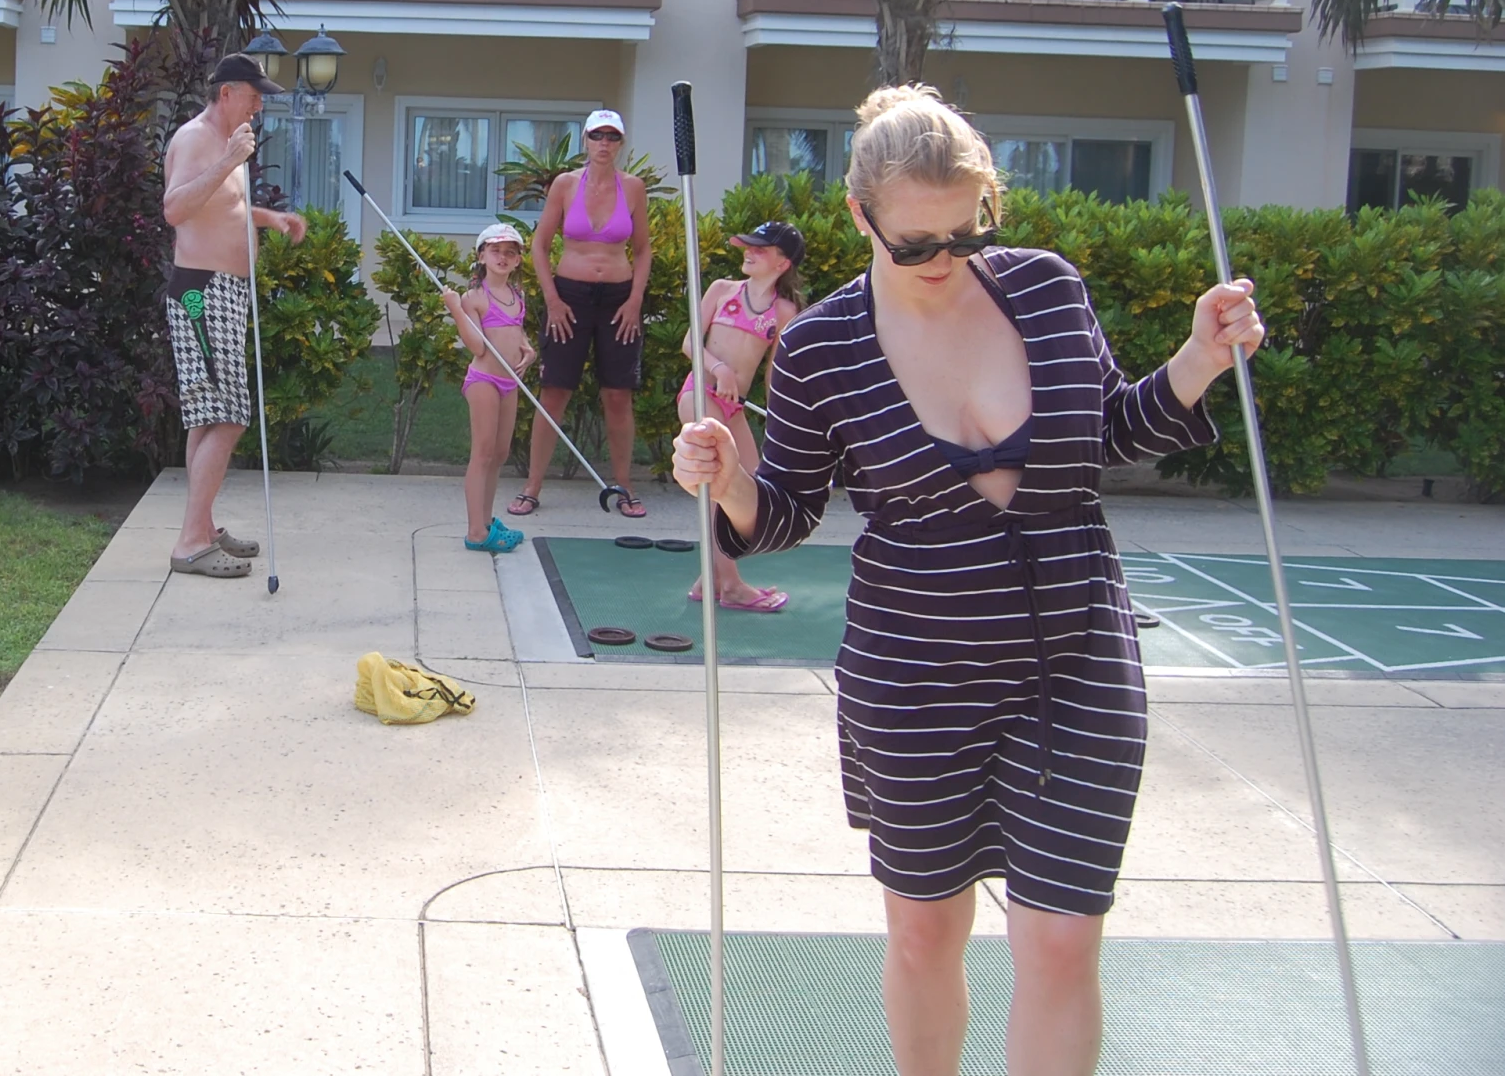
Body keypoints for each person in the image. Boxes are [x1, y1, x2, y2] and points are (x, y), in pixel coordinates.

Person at [670, 86, 1265, 1076]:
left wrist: (1198, 358)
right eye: (910, 242)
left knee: (1063, 937)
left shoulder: (1042, 285)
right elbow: (782, 514)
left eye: (964, 229)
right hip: (914, 673)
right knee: (922, 931)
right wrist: (730, 479)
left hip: (1072, 654)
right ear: (859, 218)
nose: (940, 258)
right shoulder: (818, 346)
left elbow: (1109, 428)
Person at [160, 53, 309, 578]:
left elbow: (225, 209)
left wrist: (271, 218)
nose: (259, 105)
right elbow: (175, 209)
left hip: (223, 292)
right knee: (229, 415)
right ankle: (188, 544)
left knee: (209, 413)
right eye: (253, 95)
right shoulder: (199, 139)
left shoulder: (229, 142)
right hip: (200, 293)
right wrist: (228, 160)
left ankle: (202, 527)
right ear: (226, 93)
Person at [508, 108, 653, 519]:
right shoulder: (565, 185)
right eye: (597, 136)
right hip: (569, 296)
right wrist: (553, 300)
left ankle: (624, 486)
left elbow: (642, 250)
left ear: (620, 143)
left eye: (612, 137)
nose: (604, 144)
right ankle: (532, 486)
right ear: (585, 141)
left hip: (618, 299)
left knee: (618, 394)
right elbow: (539, 246)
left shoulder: (634, 187)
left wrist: (635, 301)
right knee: (554, 391)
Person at [676, 219, 805, 612]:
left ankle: (708, 579)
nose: (748, 252)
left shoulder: (785, 310)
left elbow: (776, 370)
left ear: (783, 263)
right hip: (700, 393)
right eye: (747, 246)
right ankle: (730, 585)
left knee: (750, 488)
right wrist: (718, 368)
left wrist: (781, 416)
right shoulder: (722, 290)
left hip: (733, 408)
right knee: (723, 488)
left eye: (760, 249)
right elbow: (688, 343)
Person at [441, 223, 539, 554]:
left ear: (517, 262)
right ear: (482, 256)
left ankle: (485, 520)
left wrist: (528, 348)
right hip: (484, 380)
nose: (503, 257)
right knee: (482, 454)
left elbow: (514, 331)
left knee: (499, 454)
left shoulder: (516, 296)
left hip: (510, 382)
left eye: (510, 252)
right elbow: (479, 347)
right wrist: (456, 309)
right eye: (495, 250)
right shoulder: (473, 298)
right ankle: (476, 532)